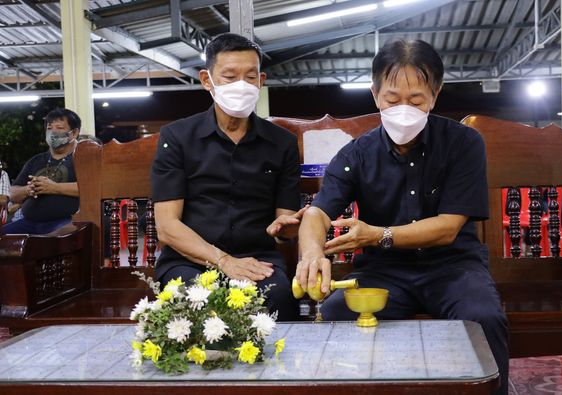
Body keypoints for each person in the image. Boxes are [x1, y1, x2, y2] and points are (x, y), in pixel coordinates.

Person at [296, 39, 508, 395]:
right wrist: (313, 254)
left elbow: (447, 228)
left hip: (454, 269)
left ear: (435, 95)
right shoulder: (356, 154)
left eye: (416, 100)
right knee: (335, 315)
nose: (403, 109)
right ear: (375, 94)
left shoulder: (463, 143)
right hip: (383, 274)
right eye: (393, 99)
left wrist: (378, 235)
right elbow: (317, 212)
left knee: (484, 318)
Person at [151, 33, 305, 321]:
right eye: (230, 76)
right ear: (207, 80)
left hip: (257, 260)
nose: (241, 86)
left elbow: (284, 223)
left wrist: (287, 228)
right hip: (189, 261)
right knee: (191, 302)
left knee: (280, 298)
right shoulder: (178, 137)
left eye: (249, 77)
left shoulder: (281, 143)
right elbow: (167, 227)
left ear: (261, 80)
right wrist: (224, 261)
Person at [4, 108, 80, 234]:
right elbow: (13, 193)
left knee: (54, 240)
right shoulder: (36, 160)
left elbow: (92, 189)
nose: (53, 132)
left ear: (74, 133)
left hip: (66, 222)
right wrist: (28, 190)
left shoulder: (83, 158)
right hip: (28, 223)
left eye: (59, 128)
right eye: (49, 128)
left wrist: (54, 187)